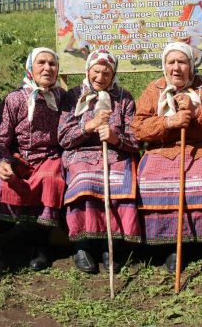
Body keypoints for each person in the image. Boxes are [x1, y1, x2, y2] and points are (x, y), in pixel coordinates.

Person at [132, 42, 202, 273]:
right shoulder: (155, 89)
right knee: (149, 179)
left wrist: (197, 111)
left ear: (191, 65)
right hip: (163, 149)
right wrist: (168, 122)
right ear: (164, 66)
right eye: (171, 62)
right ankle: (172, 242)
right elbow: (138, 128)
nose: (176, 68)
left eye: (182, 62)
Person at [0, 48, 66, 270]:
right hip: (19, 159)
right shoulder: (14, 100)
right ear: (30, 67)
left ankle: (41, 245)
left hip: (49, 157)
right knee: (2, 185)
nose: (47, 68)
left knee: (51, 180)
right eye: (41, 63)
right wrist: (2, 162)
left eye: (52, 64)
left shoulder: (62, 99)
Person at [58, 50, 140, 273]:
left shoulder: (124, 98)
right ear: (88, 71)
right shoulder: (73, 96)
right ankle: (82, 244)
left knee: (119, 182)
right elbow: (64, 138)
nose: (101, 77)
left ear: (113, 75)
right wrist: (89, 126)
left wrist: (115, 138)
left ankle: (111, 244)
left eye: (106, 73)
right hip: (80, 154)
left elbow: (135, 139)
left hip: (115, 154)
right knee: (84, 180)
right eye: (96, 71)